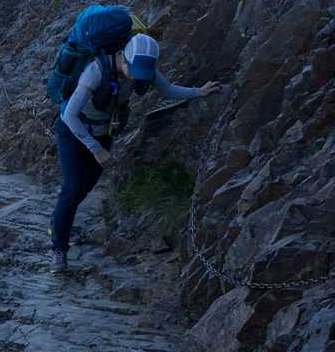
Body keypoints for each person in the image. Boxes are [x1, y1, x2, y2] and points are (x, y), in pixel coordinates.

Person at [50, 32, 222, 271]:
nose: (134, 77)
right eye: (132, 71)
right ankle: (59, 248)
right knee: (72, 187)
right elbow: (70, 115)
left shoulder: (141, 67)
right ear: (123, 57)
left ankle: (62, 223)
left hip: (102, 132)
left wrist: (198, 92)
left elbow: (167, 89)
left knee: (86, 185)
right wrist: (96, 149)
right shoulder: (96, 71)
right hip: (72, 131)